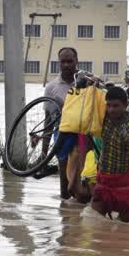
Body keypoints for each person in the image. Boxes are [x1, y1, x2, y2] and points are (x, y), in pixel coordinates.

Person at [91, 87, 129, 223]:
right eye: (108, 105)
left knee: (126, 229)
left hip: (123, 184)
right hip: (103, 180)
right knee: (93, 223)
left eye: (116, 106)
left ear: (126, 104)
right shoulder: (104, 118)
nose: (111, 110)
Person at [44, 47, 79, 199]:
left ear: (76, 61)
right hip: (61, 132)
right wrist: (44, 152)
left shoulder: (85, 81)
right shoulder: (51, 87)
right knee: (63, 173)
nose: (66, 65)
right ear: (58, 63)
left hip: (82, 131)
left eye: (69, 61)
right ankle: (65, 211)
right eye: (62, 62)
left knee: (82, 173)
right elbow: (48, 119)